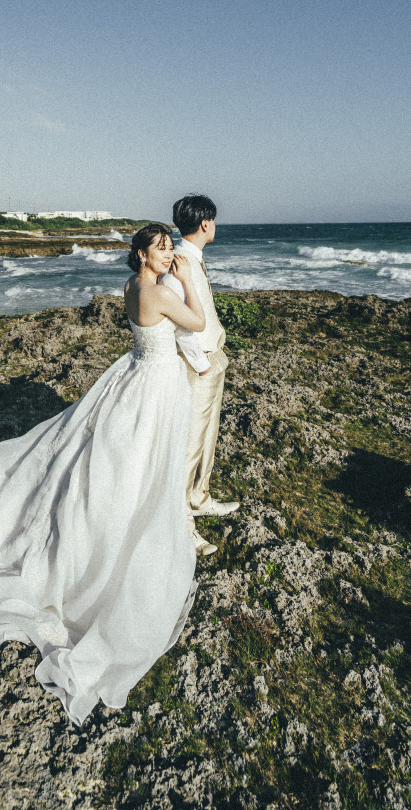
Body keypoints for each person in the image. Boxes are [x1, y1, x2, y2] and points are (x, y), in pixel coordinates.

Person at [0, 223, 206, 727]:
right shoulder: (155, 292)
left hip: (133, 374)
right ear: (142, 256)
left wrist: (170, 271)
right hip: (153, 385)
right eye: (162, 248)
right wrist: (188, 275)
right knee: (136, 465)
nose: (170, 252)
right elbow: (193, 323)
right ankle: (114, 544)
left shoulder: (132, 287)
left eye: (172, 246)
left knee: (109, 459)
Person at [161, 194, 239, 557]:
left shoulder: (192, 258)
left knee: (208, 435)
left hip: (212, 359)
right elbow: (180, 324)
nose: (216, 227)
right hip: (198, 365)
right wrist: (203, 363)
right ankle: (181, 521)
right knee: (189, 444)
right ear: (205, 223)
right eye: (215, 221)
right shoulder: (179, 264)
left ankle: (199, 496)